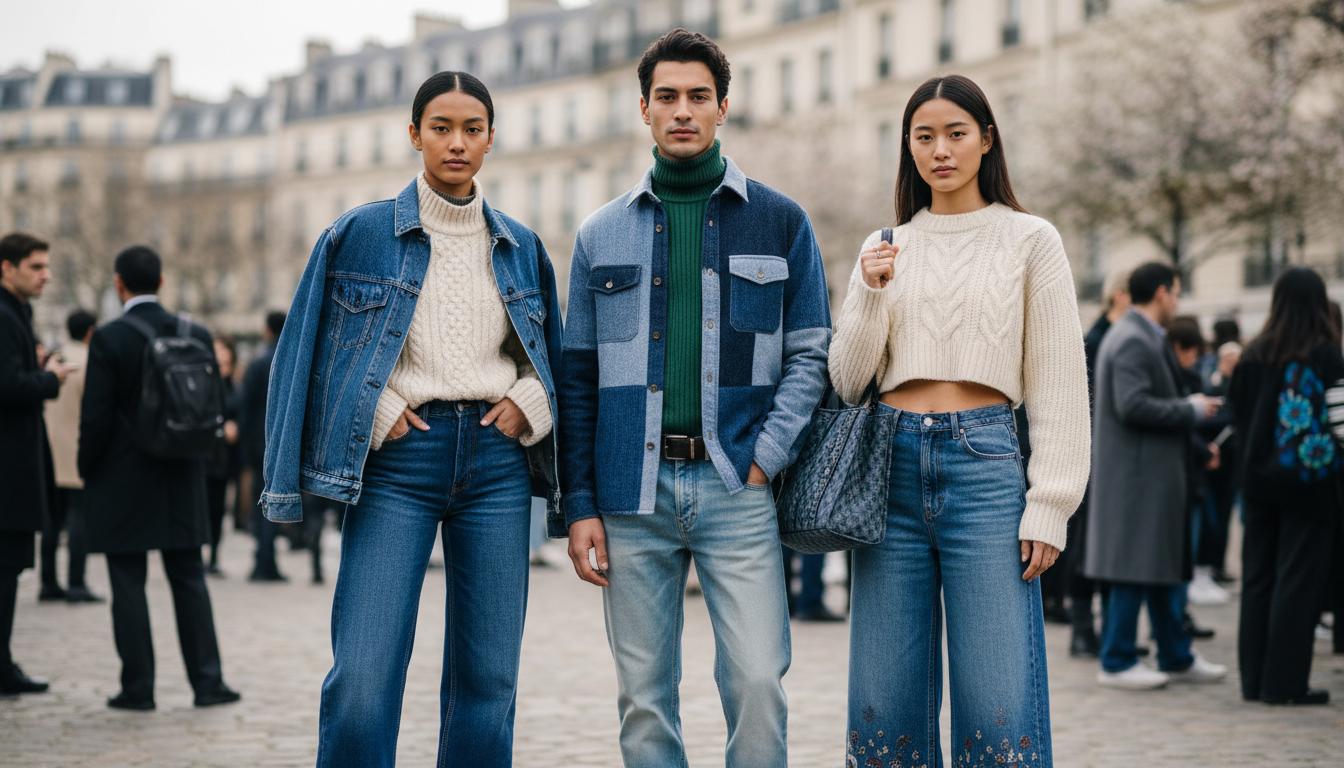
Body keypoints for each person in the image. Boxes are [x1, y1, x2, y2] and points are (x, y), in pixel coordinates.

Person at [260, 71, 563, 766]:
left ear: (491, 137)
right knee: (363, 676)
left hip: (496, 464)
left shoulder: (520, 244)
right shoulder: (359, 234)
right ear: (414, 134)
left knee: (488, 680)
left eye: (473, 129)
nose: (457, 142)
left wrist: (532, 401)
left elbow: (549, 354)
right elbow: (308, 346)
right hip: (399, 462)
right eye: (441, 128)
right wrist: (377, 409)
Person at [558, 29, 831, 765]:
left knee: (757, 681)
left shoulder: (781, 221)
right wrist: (579, 504)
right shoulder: (599, 234)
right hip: (629, 495)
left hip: (736, 485)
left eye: (699, 97)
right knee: (644, 698)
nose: (684, 110)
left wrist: (764, 459)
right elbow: (578, 380)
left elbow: (811, 356)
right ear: (643, 109)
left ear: (723, 108)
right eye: (668, 97)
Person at [829, 74, 1089, 767]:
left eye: (955, 133)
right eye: (924, 136)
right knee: (886, 701)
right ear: (908, 147)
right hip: (889, 472)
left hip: (986, 469)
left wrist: (1051, 505)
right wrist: (868, 291)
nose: (939, 150)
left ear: (986, 140)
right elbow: (849, 380)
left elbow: (1060, 382)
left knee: (999, 700)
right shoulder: (883, 245)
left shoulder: (1031, 240)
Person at [78, 244, 239, 711]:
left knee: (127, 581)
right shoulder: (195, 331)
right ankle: (208, 683)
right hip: (182, 473)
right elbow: (213, 406)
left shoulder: (109, 338)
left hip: (123, 475)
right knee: (189, 577)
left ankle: (138, 687)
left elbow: (97, 417)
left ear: (118, 284)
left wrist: (87, 469)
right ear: (162, 282)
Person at [1084, 262, 1227, 690]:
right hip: (1137, 478)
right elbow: (1133, 405)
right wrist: (1192, 409)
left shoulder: (1138, 334)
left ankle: (1175, 653)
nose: (1178, 301)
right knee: (1134, 569)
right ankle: (1117, 659)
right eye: (1178, 293)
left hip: (1149, 476)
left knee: (1163, 567)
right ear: (1162, 293)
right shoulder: (1131, 338)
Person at [1227, 266, 1341, 706]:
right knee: (1298, 580)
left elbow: (1236, 416)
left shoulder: (1253, 355)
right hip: (1309, 485)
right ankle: (1285, 683)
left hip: (1256, 482)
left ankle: (1254, 681)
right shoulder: (1327, 354)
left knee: (1257, 578)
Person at [0, 232, 67, 696]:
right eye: (35, 267)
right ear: (7, 267)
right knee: (5, 573)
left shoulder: (15, 313)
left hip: (14, 465)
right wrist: (50, 377)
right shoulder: (5, 315)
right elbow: (8, 387)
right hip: (7, 470)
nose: (45, 275)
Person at [1068, 268, 1130, 657]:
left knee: (1108, 548)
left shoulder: (1112, 336)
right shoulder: (1094, 339)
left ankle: (1108, 630)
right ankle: (1082, 629)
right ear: (1120, 295)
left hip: (1112, 461)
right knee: (1083, 549)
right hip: (1089, 457)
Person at [40, 308, 103, 602]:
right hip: (76, 446)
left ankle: (48, 581)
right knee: (79, 515)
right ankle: (76, 582)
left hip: (50, 445)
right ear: (91, 331)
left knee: (52, 517)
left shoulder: (55, 357)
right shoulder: (90, 362)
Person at [241, 311, 287, 582]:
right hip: (284, 445)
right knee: (278, 502)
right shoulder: (293, 361)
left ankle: (263, 560)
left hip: (260, 444)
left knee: (263, 502)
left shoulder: (258, 362)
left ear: (267, 330)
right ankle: (267, 560)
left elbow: (246, 407)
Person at [204, 335, 241, 576]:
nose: (222, 357)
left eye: (226, 353)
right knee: (203, 510)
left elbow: (241, 415)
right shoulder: (204, 386)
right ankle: (198, 556)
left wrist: (237, 426)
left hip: (225, 461)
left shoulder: (235, 387)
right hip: (205, 458)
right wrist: (220, 431)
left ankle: (214, 557)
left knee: (218, 512)